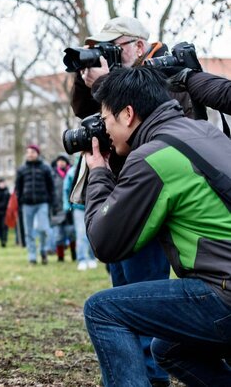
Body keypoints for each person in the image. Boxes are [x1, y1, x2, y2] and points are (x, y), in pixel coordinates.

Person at [83, 67, 231, 387]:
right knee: (169, 348)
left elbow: (105, 243)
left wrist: (97, 172)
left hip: (224, 294)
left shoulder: (155, 156)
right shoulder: (206, 132)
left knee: (102, 309)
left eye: (105, 118)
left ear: (127, 114)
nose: (104, 128)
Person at [70, 17, 172, 386]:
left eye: (115, 45)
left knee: (143, 293)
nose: (107, 54)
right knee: (119, 295)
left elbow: (155, 136)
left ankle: (152, 377)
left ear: (140, 46)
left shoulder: (162, 75)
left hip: (145, 202)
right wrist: (88, 80)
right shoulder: (109, 84)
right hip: (114, 195)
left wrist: (109, 80)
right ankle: (128, 374)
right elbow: (86, 118)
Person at [14, 144, 53, 265]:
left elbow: (50, 186)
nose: (30, 154)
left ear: (37, 153)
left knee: (43, 228)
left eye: (32, 152)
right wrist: (20, 200)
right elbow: (18, 187)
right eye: (28, 152)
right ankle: (32, 256)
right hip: (27, 204)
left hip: (42, 203)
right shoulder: (21, 169)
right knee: (28, 231)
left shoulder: (45, 168)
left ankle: (43, 250)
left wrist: (50, 200)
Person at [63, 155, 96, 271]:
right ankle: (82, 259)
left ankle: (92, 258)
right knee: (81, 234)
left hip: (93, 206)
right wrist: (67, 206)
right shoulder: (72, 172)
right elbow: (66, 189)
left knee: (93, 234)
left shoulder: (94, 168)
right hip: (78, 208)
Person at [50, 154, 75, 262]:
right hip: (57, 209)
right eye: (58, 161)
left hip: (71, 208)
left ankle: (74, 254)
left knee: (72, 233)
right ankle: (60, 257)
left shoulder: (72, 173)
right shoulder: (52, 175)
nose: (60, 163)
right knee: (58, 235)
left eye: (62, 160)